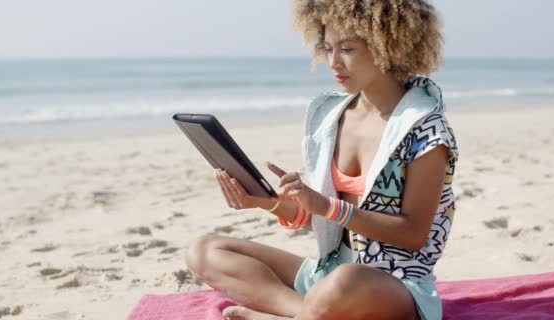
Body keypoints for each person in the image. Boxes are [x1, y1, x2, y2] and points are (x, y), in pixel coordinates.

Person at [185, 1, 458, 319]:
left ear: (389, 45)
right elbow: (323, 217)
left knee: (343, 283)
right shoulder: (332, 116)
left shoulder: (426, 129)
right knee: (204, 250)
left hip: (394, 284)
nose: (333, 62)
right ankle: (304, 312)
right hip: (329, 271)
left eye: (347, 49)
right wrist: (266, 202)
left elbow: (413, 234)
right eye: (328, 48)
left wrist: (327, 206)